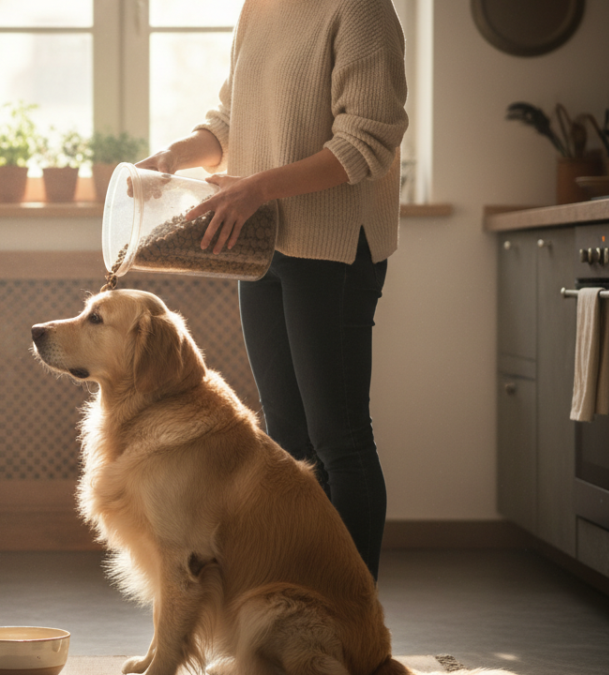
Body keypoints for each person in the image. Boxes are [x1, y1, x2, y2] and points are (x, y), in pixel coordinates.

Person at [135, 0, 408, 581]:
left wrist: (257, 188)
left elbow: (366, 143)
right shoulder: (257, 9)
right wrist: (172, 158)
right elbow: (229, 121)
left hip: (332, 249)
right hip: (263, 248)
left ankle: (353, 622)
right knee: (286, 441)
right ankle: (299, 605)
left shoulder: (360, 11)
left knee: (340, 440)